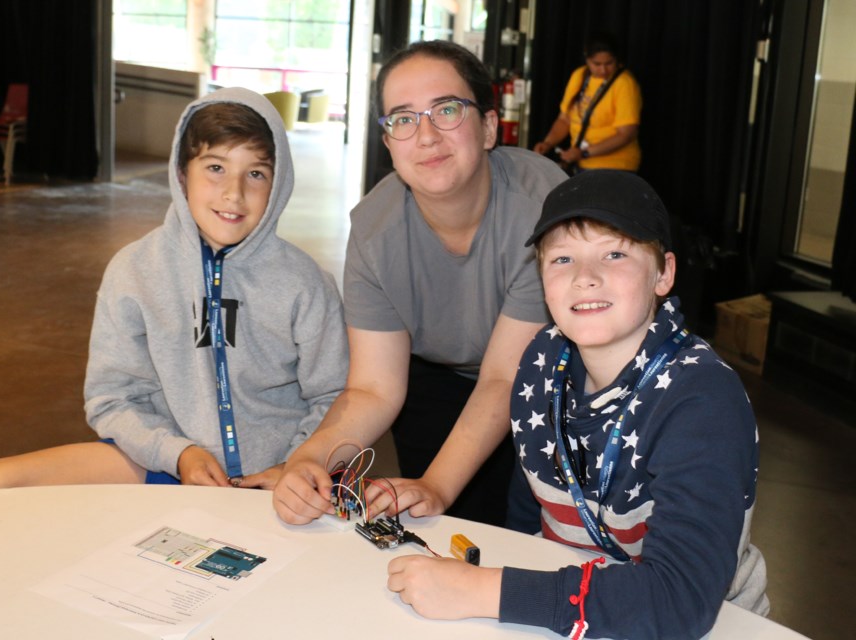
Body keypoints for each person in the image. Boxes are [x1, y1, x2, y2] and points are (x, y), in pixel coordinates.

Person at [386, 170, 769, 639]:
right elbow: (531, 508)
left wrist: (486, 592)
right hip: (574, 608)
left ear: (664, 273)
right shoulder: (543, 359)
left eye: (615, 253)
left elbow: (680, 601)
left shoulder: (702, 398)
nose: (586, 278)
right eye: (563, 258)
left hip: (704, 622)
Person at [0, 87, 348, 491]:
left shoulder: (305, 283)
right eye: (215, 168)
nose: (233, 193)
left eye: (255, 173)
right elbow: (112, 399)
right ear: (182, 173)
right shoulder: (133, 270)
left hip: (279, 476)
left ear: (278, 185)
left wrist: (295, 462)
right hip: (162, 464)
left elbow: (336, 397)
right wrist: (177, 453)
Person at [272, 40, 567, 527]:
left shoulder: (541, 210)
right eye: (403, 119)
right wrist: (311, 457)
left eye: (446, 110)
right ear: (388, 143)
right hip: (437, 377)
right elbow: (373, 388)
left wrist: (439, 483)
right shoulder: (374, 232)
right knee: (437, 524)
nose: (425, 136)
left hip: (543, 380)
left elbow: (502, 379)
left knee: (528, 528)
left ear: (489, 127)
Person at [533, 32, 642, 173]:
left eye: (609, 63)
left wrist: (584, 153)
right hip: (582, 164)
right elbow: (565, 119)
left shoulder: (625, 84)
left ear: (617, 59)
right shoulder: (579, 75)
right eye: (597, 64)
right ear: (587, 59)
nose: (603, 70)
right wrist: (548, 143)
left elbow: (626, 134)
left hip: (615, 166)